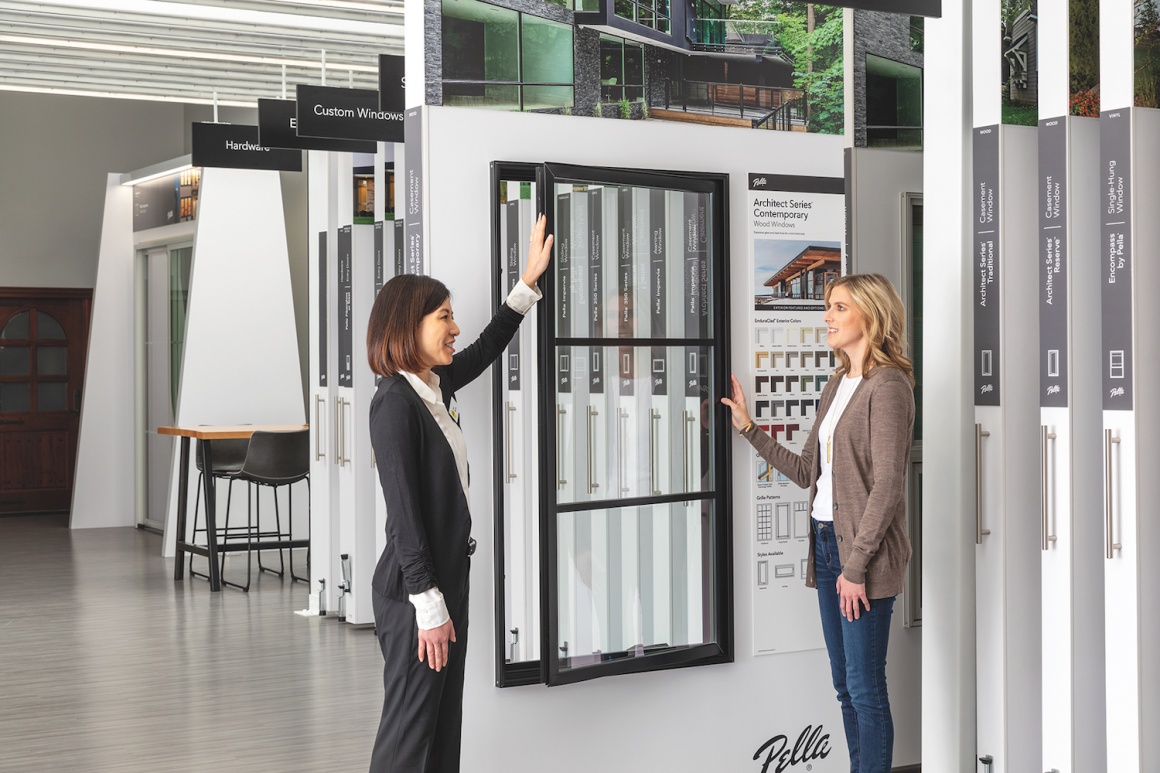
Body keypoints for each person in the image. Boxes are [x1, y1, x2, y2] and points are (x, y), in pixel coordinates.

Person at [365, 215, 553, 773]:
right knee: (409, 737)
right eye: (444, 316)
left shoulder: (431, 386)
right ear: (408, 324)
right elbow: (404, 518)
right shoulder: (394, 404)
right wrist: (429, 607)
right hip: (416, 598)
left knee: (444, 733)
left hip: (447, 585)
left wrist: (526, 285)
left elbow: (484, 348)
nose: (455, 327)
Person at [721, 273, 914, 773]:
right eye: (828, 307)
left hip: (860, 558)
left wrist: (855, 568)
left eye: (838, 308)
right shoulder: (837, 383)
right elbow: (808, 470)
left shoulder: (888, 386)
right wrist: (749, 428)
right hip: (828, 549)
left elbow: (888, 488)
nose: (826, 316)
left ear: (870, 315)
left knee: (867, 688)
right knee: (846, 685)